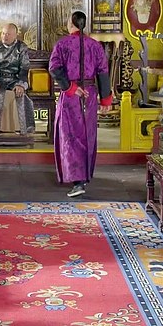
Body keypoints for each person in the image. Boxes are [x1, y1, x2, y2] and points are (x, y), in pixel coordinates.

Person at [49, 11, 113, 198]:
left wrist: (70, 87)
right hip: (90, 95)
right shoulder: (95, 45)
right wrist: (106, 99)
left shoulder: (62, 44)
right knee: (87, 135)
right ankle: (83, 178)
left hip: (71, 95)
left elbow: (54, 68)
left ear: (71, 23)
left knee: (70, 136)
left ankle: (77, 181)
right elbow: (103, 72)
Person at [0, 23, 35, 136]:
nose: (5, 36)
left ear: (15, 35)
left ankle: (23, 129)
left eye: (8, 34)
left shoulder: (21, 47)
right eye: (3, 33)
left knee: (20, 94)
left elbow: (24, 67)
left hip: (15, 78)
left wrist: (20, 84)